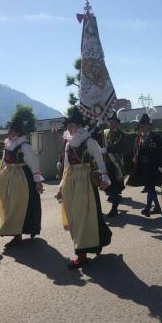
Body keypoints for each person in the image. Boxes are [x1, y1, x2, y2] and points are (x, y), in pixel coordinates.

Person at [55, 107, 112, 269]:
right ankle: (91, 244)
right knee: (74, 217)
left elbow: (100, 161)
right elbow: (66, 167)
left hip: (85, 181)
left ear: (79, 126)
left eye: (72, 125)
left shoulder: (89, 141)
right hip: (71, 181)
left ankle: (81, 254)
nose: (69, 128)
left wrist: (104, 176)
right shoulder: (68, 144)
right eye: (68, 126)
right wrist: (61, 187)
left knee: (83, 217)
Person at [0, 117, 44, 247]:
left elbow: (34, 164)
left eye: (10, 132)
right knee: (10, 204)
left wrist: (38, 181)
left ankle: (18, 235)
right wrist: (0, 172)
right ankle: (17, 232)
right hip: (9, 178)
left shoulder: (25, 147)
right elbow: (5, 162)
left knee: (20, 205)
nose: (8, 134)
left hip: (23, 178)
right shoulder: (8, 145)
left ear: (17, 133)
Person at [127, 113, 162, 217]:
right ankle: (157, 207)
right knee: (150, 187)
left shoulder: (156, 137)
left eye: (144, 126)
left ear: (149, 126)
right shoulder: (138, 138)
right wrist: (135, 157)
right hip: (143, 167)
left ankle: (148, 208)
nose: (142, 128)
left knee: (150, 187)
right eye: (141, 127)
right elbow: (137, 151)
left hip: (154, 167)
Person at [102, 110, 127, 217]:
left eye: (113, 122)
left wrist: (107, 149)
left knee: (115, 188)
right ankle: (115, 201)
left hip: (116, 165)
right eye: (110, 122)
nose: (111, 124)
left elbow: (118, 147)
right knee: (108, 187)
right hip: (106, 164)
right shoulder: (105, 132)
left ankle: (114, 209)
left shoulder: (121, 134)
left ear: (117, 123)